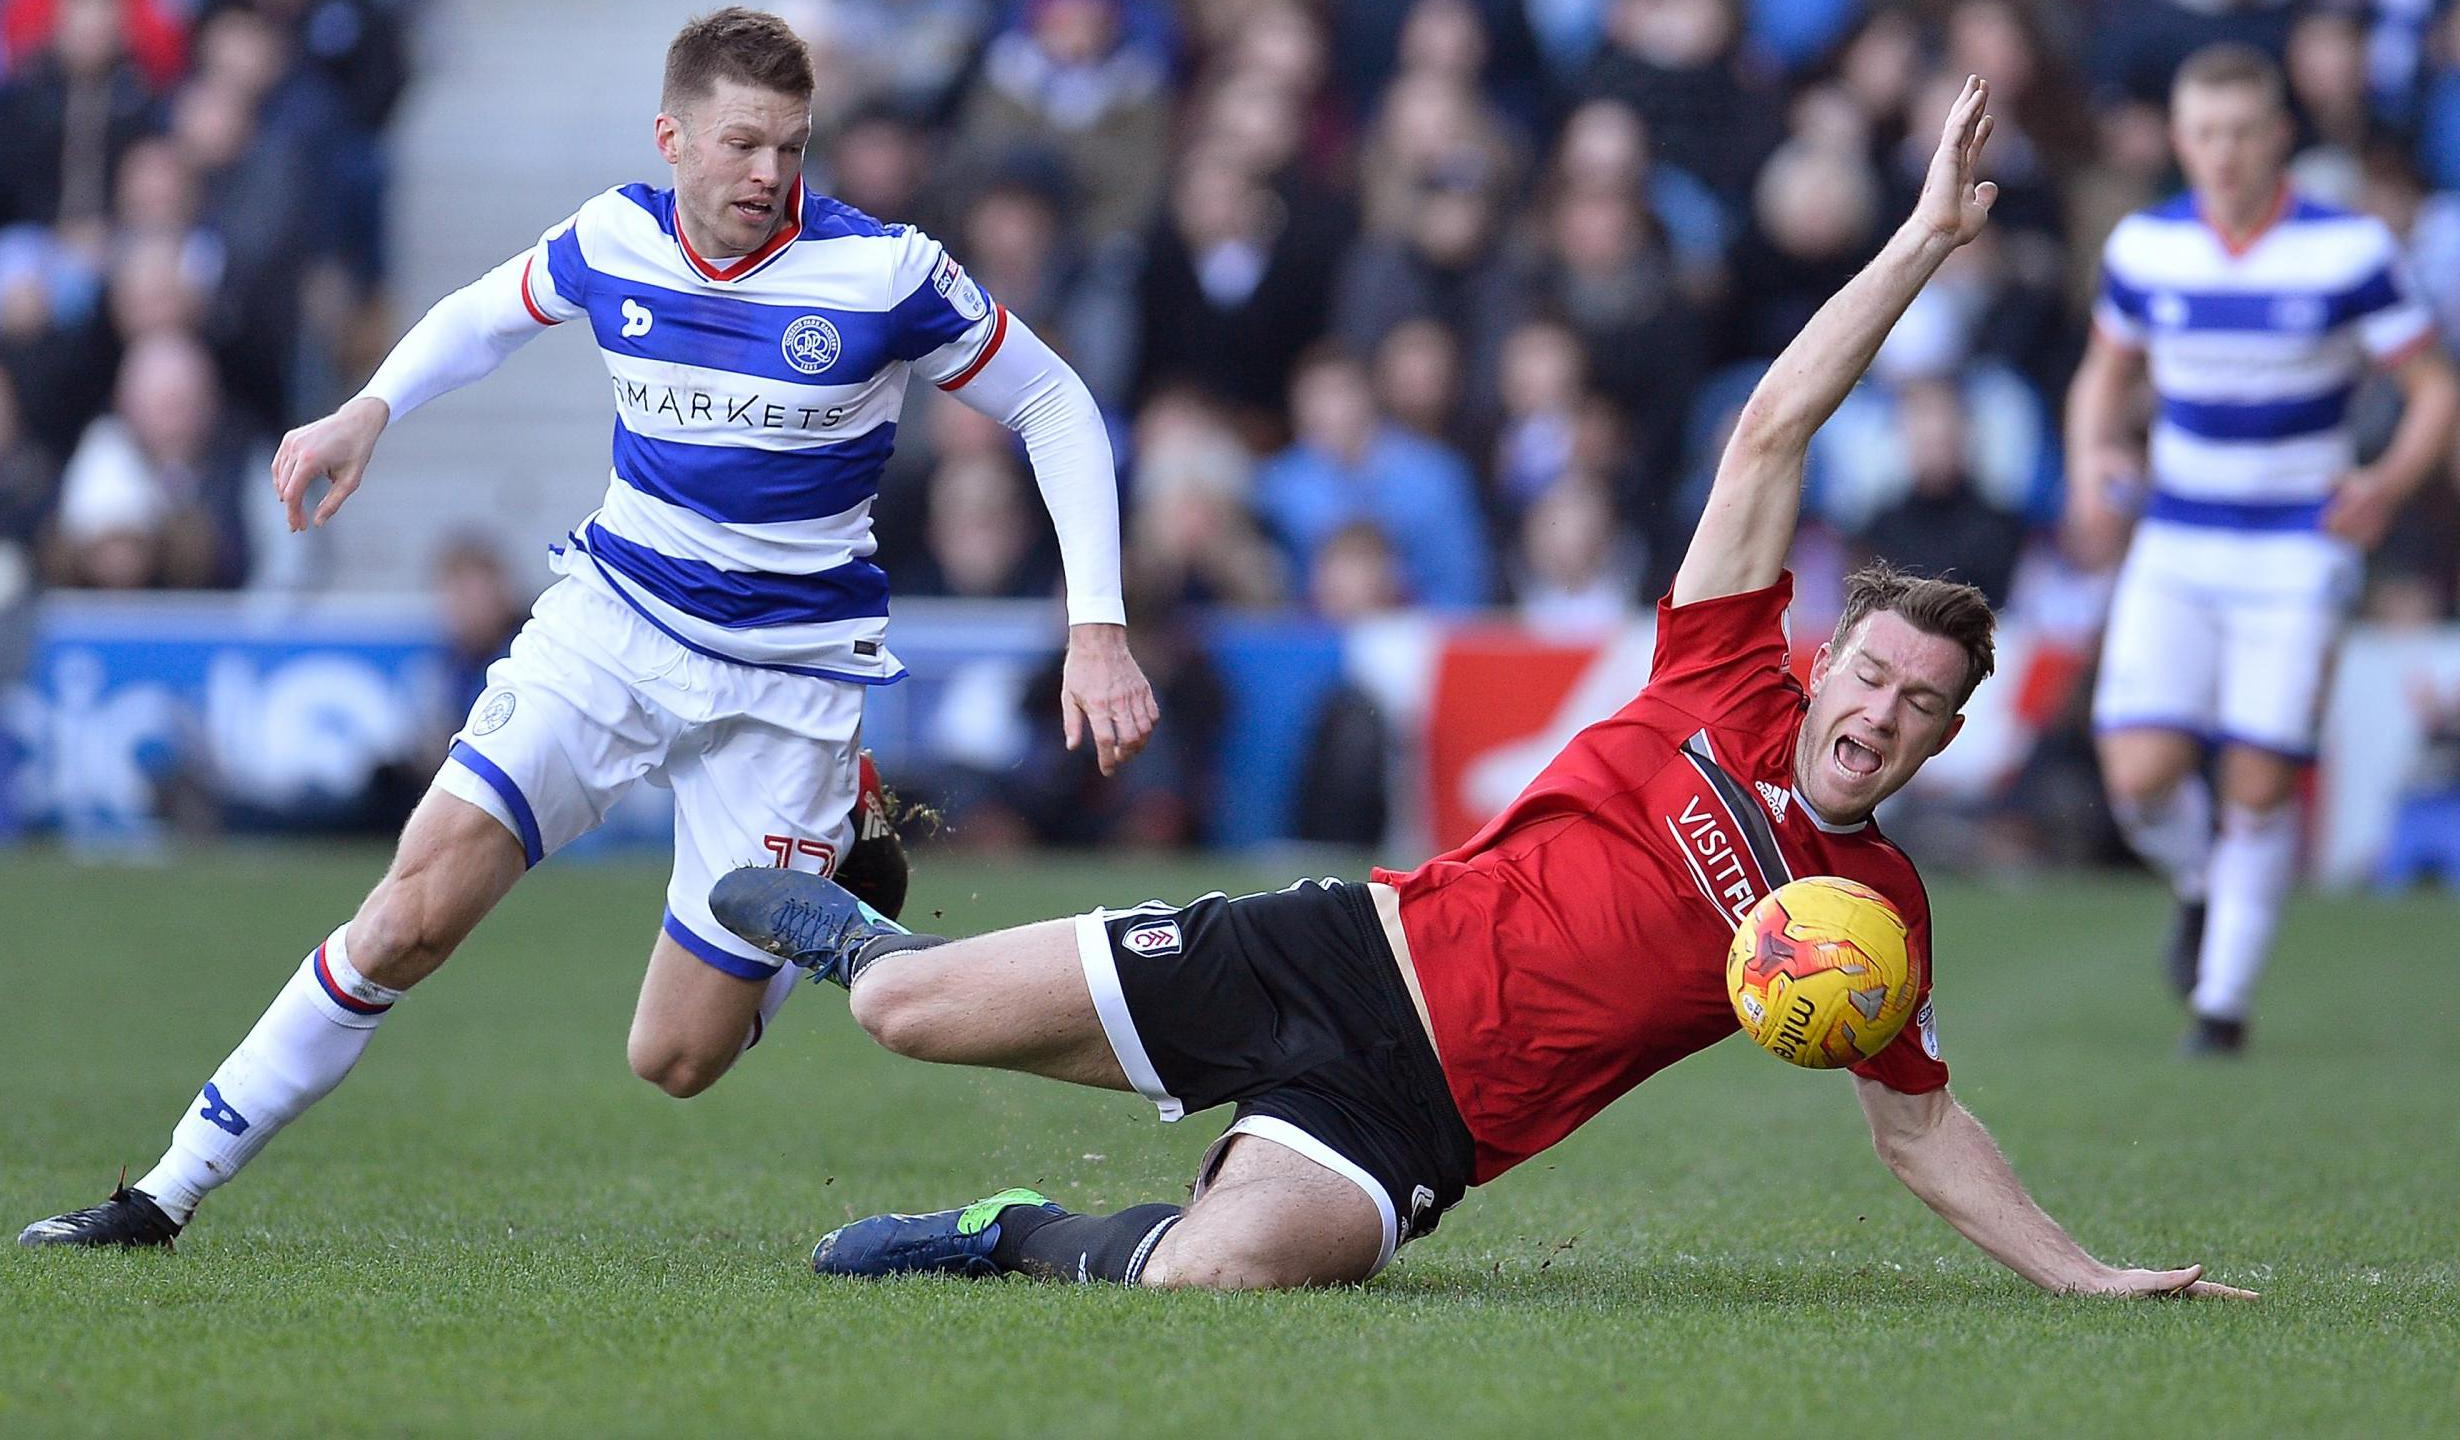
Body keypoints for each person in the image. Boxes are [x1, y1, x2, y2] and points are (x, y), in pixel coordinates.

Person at [710, 80, 2253, 1302]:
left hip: (1420, 1130)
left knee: (1215, 1273)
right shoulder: (1719, 668)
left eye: (1924, 707)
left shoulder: (1874, 913)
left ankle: (1012, 1232)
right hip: (1337, 956)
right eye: (1876, 673)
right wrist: (1922, 244)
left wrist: (2086, 1275)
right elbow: (1774, 425)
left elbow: (1919, 1128)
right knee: (908, 1011)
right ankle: (857, 927)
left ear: (1949, 734)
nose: (1884, 714)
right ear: (1825, 656)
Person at [19, 7, 1159, 1249]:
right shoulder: (614, 236)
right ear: (671, 137)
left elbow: (1053, 398)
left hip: (784, 687)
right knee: (405, 915)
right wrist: (368, 410)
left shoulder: (882, 272)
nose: (770, 175)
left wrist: (1094, 625)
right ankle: (163, 1191)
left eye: (792, 146)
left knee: (673, 1060)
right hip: (610, 631)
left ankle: (826, 858)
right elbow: (484, 314)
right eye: (741, 144)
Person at [2065, 43, 2459, 1056]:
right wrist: (2091, 467)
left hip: (2296, 543)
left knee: (2258, 779)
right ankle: (2202, 886)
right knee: (2140, 774)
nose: (2224, 153)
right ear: (2180, 138)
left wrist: (2382, 483)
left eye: (2243, 132)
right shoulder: (2148, 246)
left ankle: (2221, 1007)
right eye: (2205, 133)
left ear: (2279, 135)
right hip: (2180, 531)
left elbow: (2434, 390)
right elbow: (2102, 375)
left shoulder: (2349, 249)